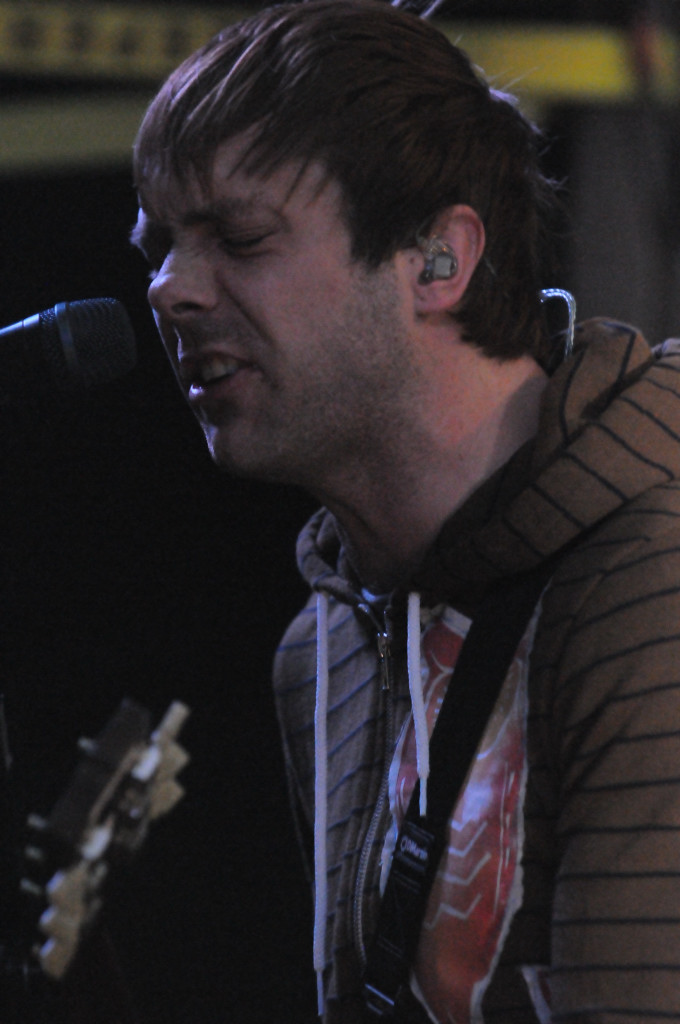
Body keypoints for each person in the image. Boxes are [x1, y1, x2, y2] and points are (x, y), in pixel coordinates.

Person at [130, 2, 680, 1021]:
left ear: (438, 259)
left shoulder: (652, 577)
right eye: (158, 244)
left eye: (239, 237)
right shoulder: (324, 647)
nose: (168, 288)